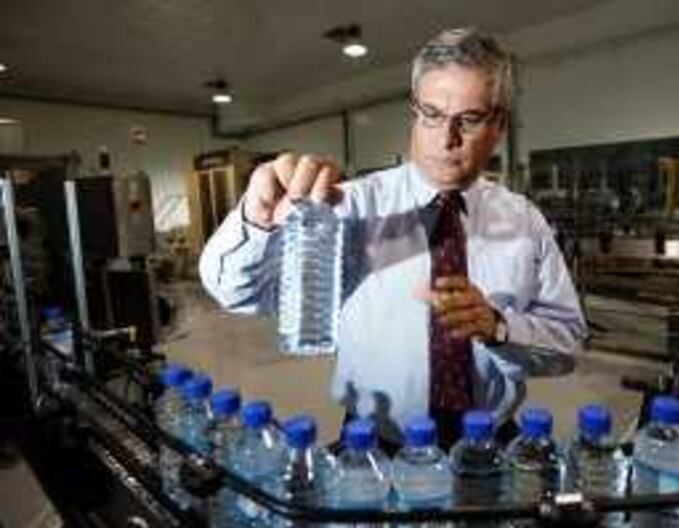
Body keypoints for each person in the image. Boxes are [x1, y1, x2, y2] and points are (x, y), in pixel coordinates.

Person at [199, 28, 587, 450]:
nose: (446, 138)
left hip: (488, 442)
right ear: (414, 113)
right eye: (432, 114)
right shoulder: (352, 206)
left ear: (498, 126)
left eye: (469, 119)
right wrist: (257, 222)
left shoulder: (524, 221)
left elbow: (567, 341)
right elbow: (236, 292)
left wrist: (500, 328)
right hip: (375, 446)